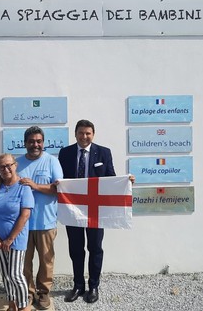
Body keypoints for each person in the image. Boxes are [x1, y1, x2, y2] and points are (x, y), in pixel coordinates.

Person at [58, 119, 134, 304]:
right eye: (81, 133)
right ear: (75, 134)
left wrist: (126, 181)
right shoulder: (65, 153)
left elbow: (111, 178)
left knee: (95, 248)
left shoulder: (104, 152)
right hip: (73, 208)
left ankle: (93, 286)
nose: (84, 136)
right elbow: (59, 177)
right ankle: (78, 285)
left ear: (93, 134)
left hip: (95, 210)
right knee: (76, 249)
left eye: (88, 133)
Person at [17, 126, 63, 310]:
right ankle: (27, 293)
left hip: (46, 221)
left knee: (46, 261)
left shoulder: (52, 161)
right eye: (31, 141)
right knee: (24, 262)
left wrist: (35, 186)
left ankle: (43, 293)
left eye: (38, 141)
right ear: (25, 143)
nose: (35, 144)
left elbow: (58, 189)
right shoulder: (16, 163)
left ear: (43, 143)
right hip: (22, 223)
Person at [0, 153, 34, 311]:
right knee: (6, 276)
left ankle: (23, 306)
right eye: (1, 167)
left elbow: (25, 215)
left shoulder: (23, 186)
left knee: (15, 274)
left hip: (16, 239)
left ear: (15, 165)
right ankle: (12, 304)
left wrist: (10, 239)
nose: (5, 169)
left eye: (8, 165)